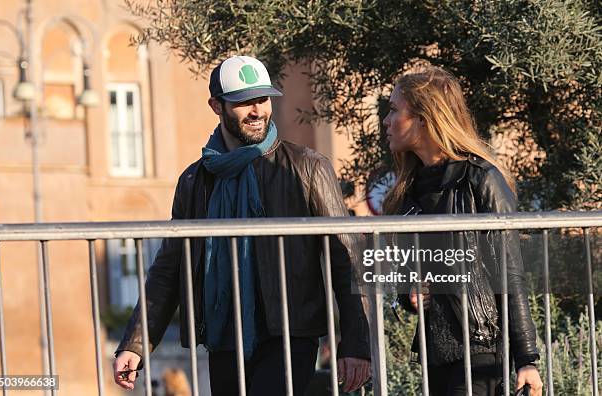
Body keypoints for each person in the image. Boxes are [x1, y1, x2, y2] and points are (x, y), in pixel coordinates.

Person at [113, 55, 371, 395]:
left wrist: (355, 343)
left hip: (291, 335)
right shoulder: (195, 180)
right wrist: (135, 343)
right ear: (216, 106)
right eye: (243, 102)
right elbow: (169, 268)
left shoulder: (307, 167)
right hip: (223, 338)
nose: (257, 111)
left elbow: (347, 258)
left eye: (262, 100)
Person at [382, 65, 543, 396]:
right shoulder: (408, 190)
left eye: (395, 110)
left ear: (425, 118)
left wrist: (527, 359)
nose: (386, 120)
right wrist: (412, 294)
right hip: (435, 352)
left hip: (480, 350)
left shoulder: (481, 179)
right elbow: (408, 275)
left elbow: (510, 272)